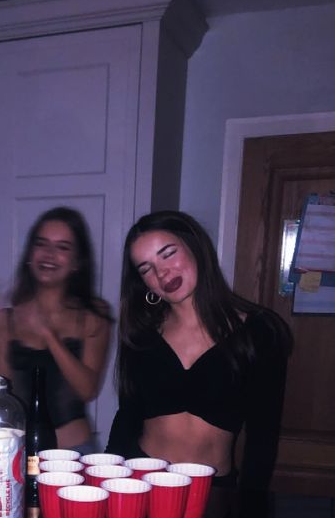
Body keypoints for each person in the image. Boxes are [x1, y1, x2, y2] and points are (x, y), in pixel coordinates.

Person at [107, 210, 293, 491]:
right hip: (140, 484)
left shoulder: (260, 331)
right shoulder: (141, 334)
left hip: (212, 493)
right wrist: (108, 480)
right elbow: (127, 418)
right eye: (146, 268)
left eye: (168, 253)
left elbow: (262, 438)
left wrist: (251, 511)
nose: (161, 273)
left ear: (195, 247)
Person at [0, 207, 112, 453]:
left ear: (77, 261)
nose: (49, 254)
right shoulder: (5, 320)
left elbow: (87, 390)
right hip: (17, 452)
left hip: (75, 453)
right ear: (29, 254)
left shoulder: (93, 315)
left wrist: (49, 336)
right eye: (41, 244)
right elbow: (0, 397)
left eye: (63, 247)